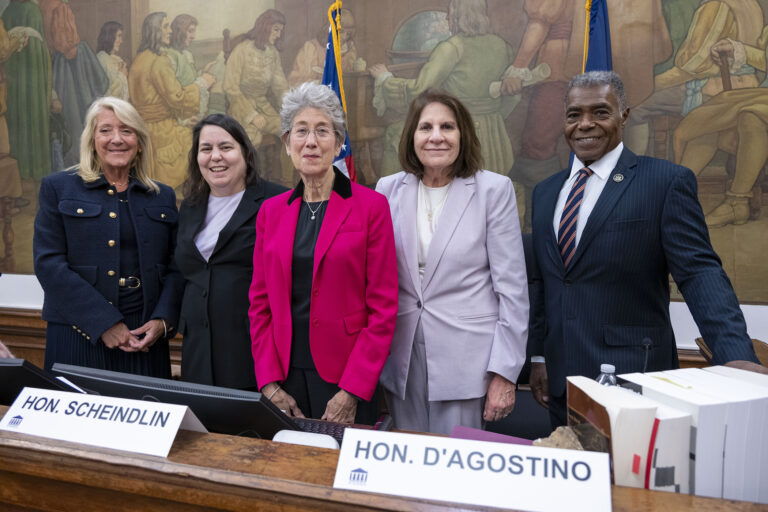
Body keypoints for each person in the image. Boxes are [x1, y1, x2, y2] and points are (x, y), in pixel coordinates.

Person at [528, 70, 764, 428]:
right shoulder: (545, 193)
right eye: (574, 114)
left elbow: (700, 274)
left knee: (634, 485)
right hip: (563, 383)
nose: (585, 124)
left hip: (635, 381)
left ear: (624, 115)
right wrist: (540, 357)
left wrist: (734, 357)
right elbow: (546, 282)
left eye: (600, 112)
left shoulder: (665, 182)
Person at [375, 90, 528, 434]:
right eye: (425, 127)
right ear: (411, 136)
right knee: (405, 466)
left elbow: (513, 290)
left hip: (468, 361)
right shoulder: (387, 190)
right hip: (402, 356)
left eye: (447, 126)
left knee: (458, 476)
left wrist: (504, 372)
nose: (436, 136)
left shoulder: (493, 190)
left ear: (463, 135)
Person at [249, 82, 398, 424]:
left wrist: (353, 390)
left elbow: (384, 307)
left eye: (322, 131)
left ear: (339, 142)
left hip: (346, 377)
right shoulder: (271, 212)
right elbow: (259, 305)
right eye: (301, 131)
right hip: (284, 376)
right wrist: (269, 383)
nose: (311, 142)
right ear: (287, 143)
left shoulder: (371, 207)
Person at [33, 97, 182, 376]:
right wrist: (104, 323)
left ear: (138, 141)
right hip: (77, 334)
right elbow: (48, 264)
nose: (117, 139)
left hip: (144, 338)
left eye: (127, 130)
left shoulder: (162, 196)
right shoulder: (59, 187)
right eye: (106, 130)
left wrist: (163, 321)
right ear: (91, 139)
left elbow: (177, 266)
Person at [175, 114, 286, 389]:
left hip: (252, 351)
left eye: (225, 147)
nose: (215, 157)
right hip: (198, 350)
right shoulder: (190, 206)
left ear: (245, 153)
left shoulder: (277, 201)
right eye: (206, 149)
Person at [369, 0, 516, 182]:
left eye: (450, 13)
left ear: (458, 16)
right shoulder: (501, 46)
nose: (447, 18)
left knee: (394, 133)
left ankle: (388, 201)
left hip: (461, 135)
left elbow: (419, 90)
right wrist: (493, 115)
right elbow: (514, 93)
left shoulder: (452, 48)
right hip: (495, 136)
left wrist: (385, 79)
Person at [129, 12, 214, 193]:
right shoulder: (159, 62)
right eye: (165, 26)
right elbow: (178, 98)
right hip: (162, 132)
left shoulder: (139, 59)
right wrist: (202, 84)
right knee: (201, 144)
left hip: (142, 129)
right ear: (155, 31)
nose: (170, 31)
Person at [96, 21, 129, 100]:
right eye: (119, 36)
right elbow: (107, 94)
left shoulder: (117, 59)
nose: (121, 41)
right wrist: (122, 75)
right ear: (110, 37)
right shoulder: (101, 58)